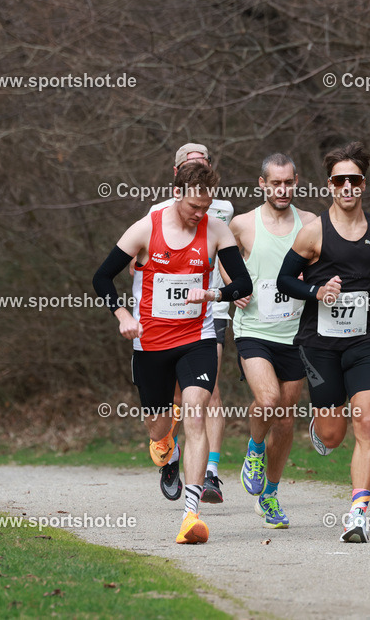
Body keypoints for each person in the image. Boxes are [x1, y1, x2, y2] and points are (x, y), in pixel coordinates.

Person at [93, 161, 252, 543]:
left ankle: (190, 515)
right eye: (195, 206)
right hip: (149, 344)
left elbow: (242, 283)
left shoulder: (215, 230)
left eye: (206, 206)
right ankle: (165, 443)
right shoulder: (146, 229)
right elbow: (101, 277)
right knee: (159, 425)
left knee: (196, 410)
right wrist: (121, 315)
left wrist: (212, 293)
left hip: (195, 339)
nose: (201, 213)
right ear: (177, 191)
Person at [277, 141, 370, 543]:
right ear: (329, 184)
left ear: (364, 183)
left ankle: (357, 514)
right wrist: (316, 292)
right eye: (340, 180)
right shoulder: (313, 233)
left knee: (367, 417)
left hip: (363, 338)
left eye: (355, 179)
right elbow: (284, 281)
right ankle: (321, 424)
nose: (348, 187)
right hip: (319, 343)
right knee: (334, 435)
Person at [128, 144, 232, 503]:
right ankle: (168, 449)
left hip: (208, 314)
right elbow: (136, 261)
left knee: (207, 397)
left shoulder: (223, 210)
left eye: (204, 164)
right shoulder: (157, 213)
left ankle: (209, 476)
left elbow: (227, 251)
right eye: (191, 166)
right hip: (159, 324)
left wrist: (227, 290)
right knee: (169, 408)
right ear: (177, 176)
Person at [230, 153, 317, 528]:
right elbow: (221, 253)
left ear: (297, 181)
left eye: (288, 183)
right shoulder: (242, 225)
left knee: (285, 420)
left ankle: (270, 496)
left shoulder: (311, 223)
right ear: (262, 184)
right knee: (267, 400)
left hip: (296, 335)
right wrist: (233, 287)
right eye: (275, 183)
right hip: (253, 331)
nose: (282, 190)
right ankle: (253, 451)